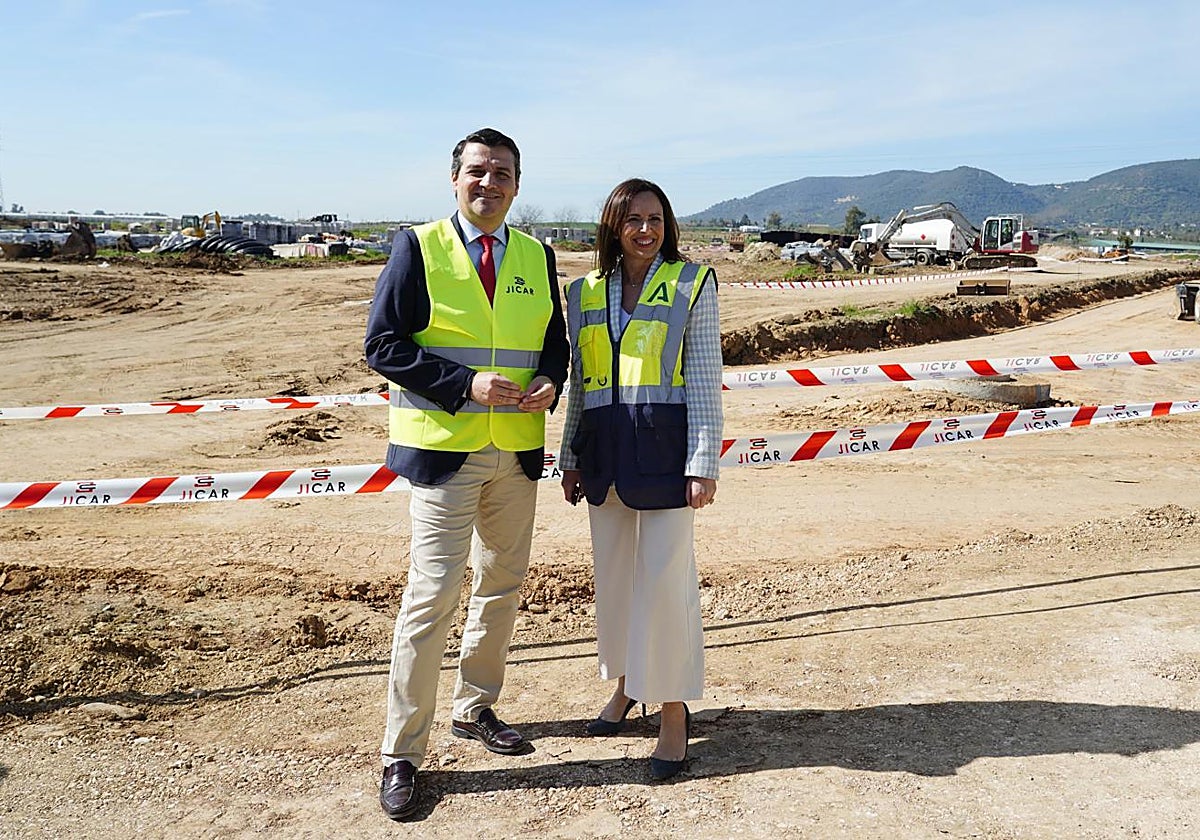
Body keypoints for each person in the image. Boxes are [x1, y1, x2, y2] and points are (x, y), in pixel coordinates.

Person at [365, 127, 569, 820]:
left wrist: (548, 380)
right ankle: (402, 752)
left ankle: (475, 708)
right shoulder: (417, 247)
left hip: (515, 452)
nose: (490, 184)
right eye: (478, 172)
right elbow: (382, 344)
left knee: (501, 586)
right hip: (444, 449)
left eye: (503, 173)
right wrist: (462, 384)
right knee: (432, 597)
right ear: (455, 178)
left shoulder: (538, 257)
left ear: (517, 184)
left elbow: (554, 345)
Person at [558, 178, 722, 781]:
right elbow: (581, 384)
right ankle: (628, 687)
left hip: (665, 457)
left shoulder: (691, 284)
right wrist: (570, 455)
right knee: (618, 586)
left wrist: (703, 465)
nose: (646, 230)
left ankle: (674, 713)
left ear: (668, 224)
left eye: (655, 218)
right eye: (633, 219)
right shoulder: (582, 293)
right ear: (613, 226)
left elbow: (704, 381)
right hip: (604, 459)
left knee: (664, 588)